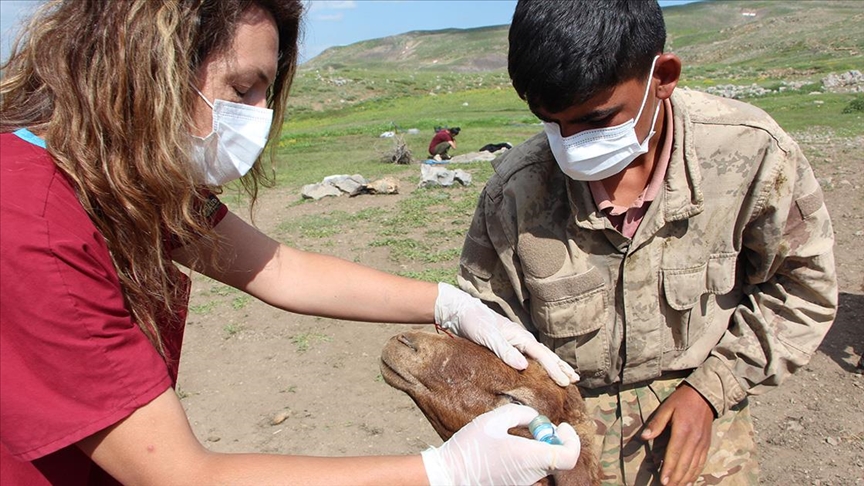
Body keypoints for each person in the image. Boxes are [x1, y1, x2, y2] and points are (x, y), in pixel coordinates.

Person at [0, 1, 583, 484]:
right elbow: (182, 475)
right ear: (151, 67)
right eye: (243, 88)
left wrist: (451, 304)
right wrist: (445, 470)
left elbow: (281, 271)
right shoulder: (35, 224)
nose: (259, 115)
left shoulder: (121, 177)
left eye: (266, 92)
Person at [456, 1, 838, 485]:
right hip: (563, 441)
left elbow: (804, 290)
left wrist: (712, 389)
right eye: (551, 121)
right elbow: (486, 334)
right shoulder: (515, 192)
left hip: (701, 428)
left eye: (596, 120)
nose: (570, 144)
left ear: (663, 77)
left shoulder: (752, 156)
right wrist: (531, 440)